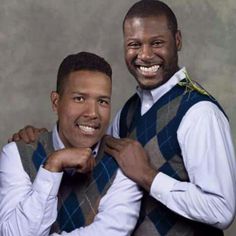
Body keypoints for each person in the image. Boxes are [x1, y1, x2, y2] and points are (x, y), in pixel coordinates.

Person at [8, 1, 236, 235]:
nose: (145, 55)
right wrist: (40, 141)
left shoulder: (200, 112)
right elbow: (93, 156)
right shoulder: (127, 112)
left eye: (157, 43)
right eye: (134, 44)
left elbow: (222, 209)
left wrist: (148, 175)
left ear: (177, 40)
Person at [0, 52, 141, 236]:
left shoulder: (123, 163)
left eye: (102, 101)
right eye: (79, 98)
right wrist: (54, 165)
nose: (93, 113)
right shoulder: (17, 154)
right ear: (56, 102)